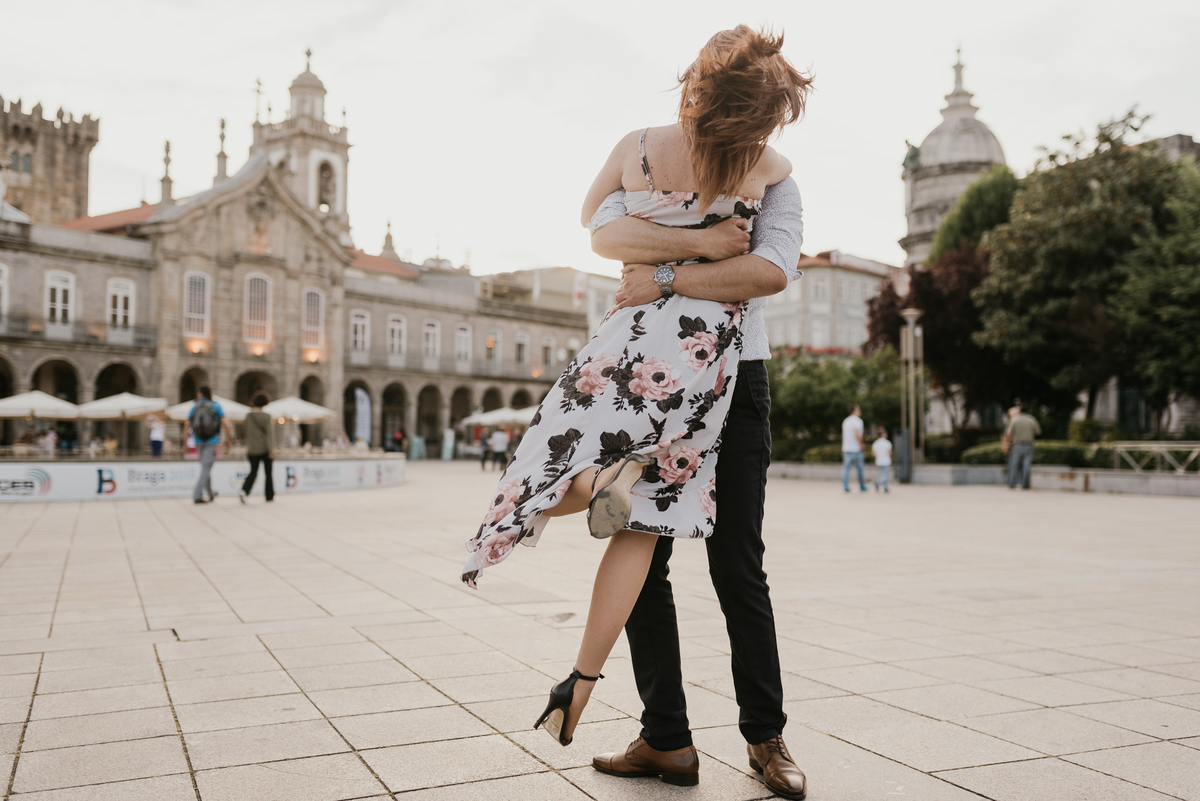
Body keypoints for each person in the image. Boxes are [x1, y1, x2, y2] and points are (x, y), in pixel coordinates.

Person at [461, 26, 810, 799]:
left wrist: (662, 276)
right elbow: (604, 231)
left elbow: (770, 270)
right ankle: (667, 737)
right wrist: (706, 251)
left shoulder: (756, 172)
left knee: (730, 560)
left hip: (724, 379)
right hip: (671, 377)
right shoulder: (734, 164)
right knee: (659, 549)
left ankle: (764, 735)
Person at [187, 385, 233, 504]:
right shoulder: (215, 405)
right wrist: (229, 439)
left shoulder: (195, 406)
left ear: (200, 394)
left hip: (198, 441)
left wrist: (184, 443)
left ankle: (210, 493)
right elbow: (225, 423)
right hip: (212, 441)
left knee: (205, 467)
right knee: (206, 468)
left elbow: (187, 424)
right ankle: (197, 495)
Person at [239, 393, 275, 503]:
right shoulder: (266, 417)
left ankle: (244, 491)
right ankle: (269, 496)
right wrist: (271, 450)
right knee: (268, 473)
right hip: (264, 449)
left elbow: (245, 432)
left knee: (253, 472)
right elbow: (269, 434)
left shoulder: (248, 416)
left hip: (252, 449)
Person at [1004, 404, 1041, 490]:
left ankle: (1012, 484)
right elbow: (1038, 432)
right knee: (1026, 465)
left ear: (1020, 411)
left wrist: (1007, 444)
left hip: (1016, 445)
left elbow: (1008, 433)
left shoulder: (1015, 420)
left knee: (1014, 465)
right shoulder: (1031, 419)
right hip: (1029, 445)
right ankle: (1025, 485)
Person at [842, 404, 867, 493]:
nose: (860, 411)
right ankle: (862, 486)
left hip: (846, 448)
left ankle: (845, 486)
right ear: (854, 411)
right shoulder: (858, 421)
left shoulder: (846, 421)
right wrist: (861, 444)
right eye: (858, 409)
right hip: (856, 449)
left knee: (846, 468)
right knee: (860, 469)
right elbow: (857, 434)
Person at [872, 427, 892, 493]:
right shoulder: (887, 443)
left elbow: (873, 454)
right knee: (886, 475)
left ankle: (885, 488)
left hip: (879, 462)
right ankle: (878, 483)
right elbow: (889, 453)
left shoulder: (875, 443)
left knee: (883, 474)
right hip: (886, 461)